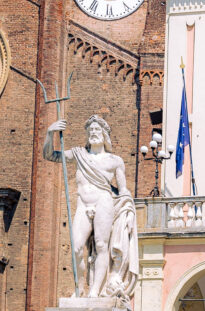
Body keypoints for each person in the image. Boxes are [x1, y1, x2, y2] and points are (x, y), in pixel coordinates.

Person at [44, 113, 138, 301]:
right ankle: (78, 288)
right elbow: (50, 155)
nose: (93, 133)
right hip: (83, 202)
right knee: (77, 248)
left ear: (104, 134)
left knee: (102, 246)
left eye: (97, 130)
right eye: (91, 130)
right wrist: (50, 133)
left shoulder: (115, 161)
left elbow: (124, 190)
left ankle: (94, 291)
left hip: (104, 201)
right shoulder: (79, 155)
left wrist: (128, 212)